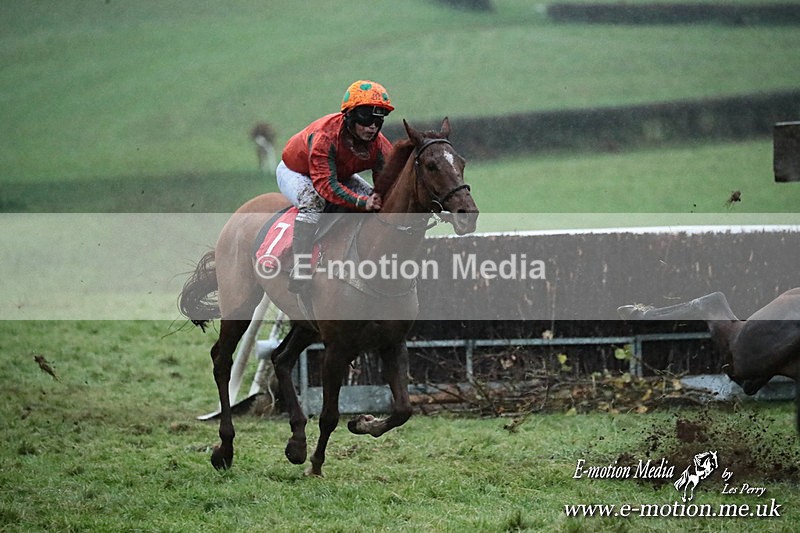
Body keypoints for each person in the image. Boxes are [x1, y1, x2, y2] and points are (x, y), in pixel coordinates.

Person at [276, 80, 395, 292]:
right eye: (366, 117)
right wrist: (361, 202)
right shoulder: (325, 136)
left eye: (378, 120)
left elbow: (387, 183)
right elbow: (325, 186)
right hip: (297, 171)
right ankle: (301, 266)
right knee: (313, 202)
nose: (372, 126)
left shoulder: (379, 144)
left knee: (374, 201)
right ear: (349, 115)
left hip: (338, 172)